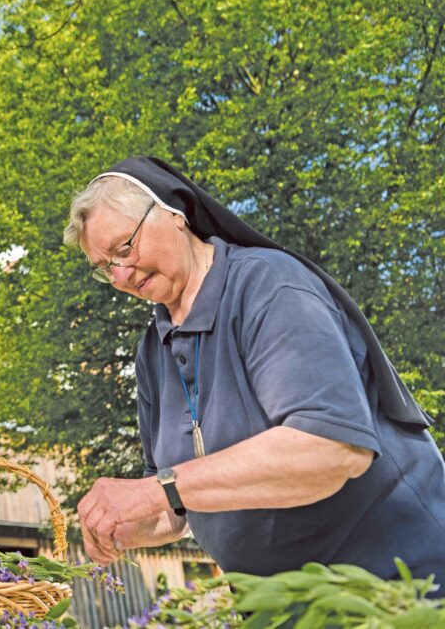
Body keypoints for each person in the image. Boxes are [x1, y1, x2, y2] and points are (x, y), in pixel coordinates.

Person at [65, 156, 445, 592]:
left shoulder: (268, 286)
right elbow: (180, 507)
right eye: (104, 268)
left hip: (401, 590)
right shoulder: (153, 352)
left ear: (175, 215)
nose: (120, 275)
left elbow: (332, 451)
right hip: (283, 609)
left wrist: (157, 491)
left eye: (124, 249)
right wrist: (135, 525)